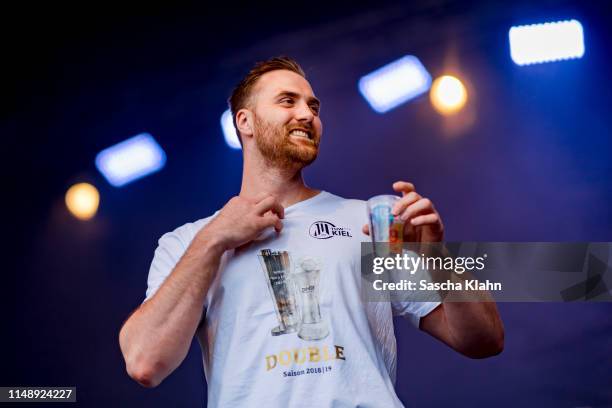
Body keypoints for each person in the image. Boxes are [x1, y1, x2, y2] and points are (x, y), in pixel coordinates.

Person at [119, 57, 504, 407]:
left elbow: (484, 341)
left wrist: (437, 257)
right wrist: (215, 239)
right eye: (287, 101)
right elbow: (145, 363)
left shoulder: (371, 221)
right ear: (245, 122)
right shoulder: (188, 241)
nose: (307, 114)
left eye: (314, 106)